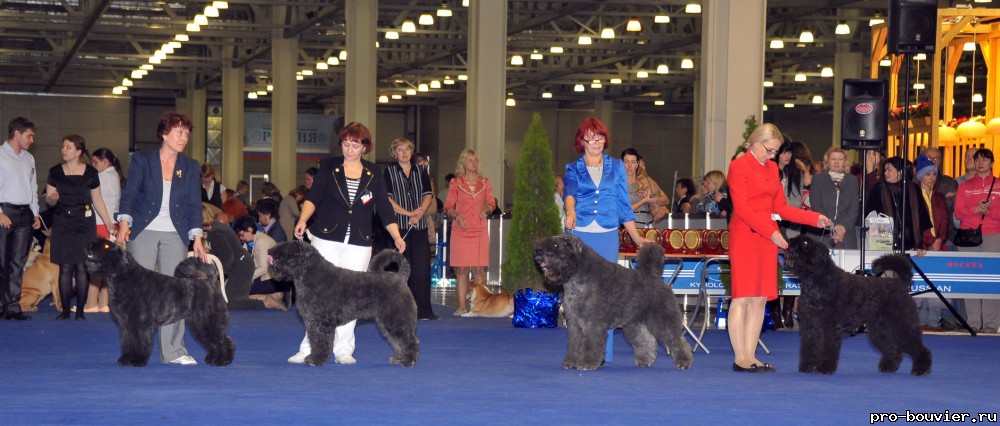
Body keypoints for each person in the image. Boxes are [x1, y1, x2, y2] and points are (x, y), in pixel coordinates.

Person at [287, 122, 406, 365]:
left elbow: (384, 208)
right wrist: (302, 220)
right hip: (326, 238)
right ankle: (308, 347)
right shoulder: (329, 167)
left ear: (365, 147)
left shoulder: (374, 173)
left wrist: (396, 235)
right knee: (317, 297)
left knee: (351, 297)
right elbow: (314, 198)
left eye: (355, 144)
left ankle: (344, 350)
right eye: (345, 143)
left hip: (359, 242)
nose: (349, 149)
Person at [727, 123, 830, 372]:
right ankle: (740, 357)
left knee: (761, 298)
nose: (772, 156)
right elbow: (742, 209)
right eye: (769, 150)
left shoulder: (773, 169)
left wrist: (813, 217)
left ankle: (751, 356)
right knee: (742, 297)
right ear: (754, 142)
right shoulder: (738, 166)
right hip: (746, 235)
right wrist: (771, 232)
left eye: (775, 151)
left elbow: (780, 208)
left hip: (767, 237)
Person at [116, 111, 206, 366]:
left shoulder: (190, 166)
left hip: (175, 234)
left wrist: (196, 237)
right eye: (179, 132)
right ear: (164, 133)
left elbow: (193, 204)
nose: (184, 137)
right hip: (143, 231)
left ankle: (173, 351)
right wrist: (124, 223)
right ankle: (135, 350)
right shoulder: (143, 160)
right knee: (138, 295)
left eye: (187, 133)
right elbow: (130, 193)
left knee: (176, 293)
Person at [45, 135, 116, 320]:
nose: (63, 150)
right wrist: (51, 199)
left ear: (78, 152)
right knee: (65, 267)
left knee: (82, 266)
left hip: (84, 222)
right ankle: (66, 311)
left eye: (68, 147)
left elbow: (97, 199)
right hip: (62, 221)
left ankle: (82, 311)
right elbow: (50, 198)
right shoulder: (55, 172)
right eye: (63, 147)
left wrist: (108, 221)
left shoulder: (91, 173)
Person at [563, 117, 650, 261]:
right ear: (582, 141)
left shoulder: (617, 166)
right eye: (591, 138)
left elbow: (623, 204)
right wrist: (570, 211)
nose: (596, 142)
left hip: (607, 235)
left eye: (600, 137)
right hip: (579, 233)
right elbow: (569, 193)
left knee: (608, 282)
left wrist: (636, 237)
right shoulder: (572, 168)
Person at [384, 137, 438, 321]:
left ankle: (424, 310)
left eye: (407, 149)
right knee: (401, 268)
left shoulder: (421, 170)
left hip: (420, 225)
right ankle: (399, 310)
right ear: (394, 152)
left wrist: (419, 212)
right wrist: (408, 213)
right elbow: (387, 199)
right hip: (398, 228)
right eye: (400, 149)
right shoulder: (389, 172)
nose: (404, 152)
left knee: (422, 268)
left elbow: (428, 195)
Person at [444, 149, 496, 316]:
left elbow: (491, 203)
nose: (473, 163)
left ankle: (481, 307)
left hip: (479, 229)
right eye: (470, 160)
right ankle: (461, 306)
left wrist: (487, 209)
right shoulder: (455, 183)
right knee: (462, 270)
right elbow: (448, 206)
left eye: (475, 160)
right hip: (461, 230)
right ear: (463, 163)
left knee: (479, 270)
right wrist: (457, 216)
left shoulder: (485, 182)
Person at [0, 117, 42, 321]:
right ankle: (1, 305)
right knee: (1, 262)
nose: (32, 140)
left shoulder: (29, 158)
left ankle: (13, 306)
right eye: (29, 135)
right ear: (17, 134)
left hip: (25, 214)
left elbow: (33, 187)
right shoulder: (0, 155)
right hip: (4, 212)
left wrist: (35, 213)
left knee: (19, 262)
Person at [954, 148, 1000, 332]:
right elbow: (958, 212)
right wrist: (975, 211)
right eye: (978, 159)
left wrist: (989, 211)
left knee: (992, 278)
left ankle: (990, 324)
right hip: (968, 235)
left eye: (985, 159)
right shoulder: (965, 186)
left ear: (992, 162)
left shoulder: (998, 184)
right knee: (969, 278)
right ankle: (973, 322)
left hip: (993, 233)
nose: (981, 163)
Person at [82, 147, 124, 313]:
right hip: (111, 223)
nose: (92, 165)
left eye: (95, 162)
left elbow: (91, 196)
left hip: (101, 222)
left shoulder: (101, 177)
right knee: (106, 265)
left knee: (96, 263)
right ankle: (103, 302)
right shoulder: (115, 176)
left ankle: (91, 302)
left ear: (105, 162)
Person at [202, 206, 267, 310]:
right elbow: (226, 250)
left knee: (230, 303)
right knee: (234, 300)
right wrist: (209, 251)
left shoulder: (216, 231)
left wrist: (219, 272)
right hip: (242, 264)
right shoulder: (217, 228)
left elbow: (227, 255)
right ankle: (265, 301)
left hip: (241, 267)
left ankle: (266, 303)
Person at [914, 154, 950, 331]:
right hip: (922, 246)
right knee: (920, 283)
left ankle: (934, 321)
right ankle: (920, 321)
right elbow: (917, 223)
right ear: (921, 176)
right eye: (928, 174)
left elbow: (944, 221)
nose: (931, 178)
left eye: (934, 174)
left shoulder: (940, 197)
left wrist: (940, 239)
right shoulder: (914, 195)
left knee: (937, 282)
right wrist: (928, 241)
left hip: (939, 246)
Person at [866, 156, 931, 254]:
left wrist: (920, 244)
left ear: (900, 172)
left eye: (889, 170)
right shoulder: (878, 189)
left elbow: (921, 217)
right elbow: (869, 214)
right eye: (885, 170)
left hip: (910, 243)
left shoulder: (913, 189)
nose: (885, 173)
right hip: (884, 242)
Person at [231, 215, 287, 310]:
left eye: (242, 235)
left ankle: (271, 298)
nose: (241, 238)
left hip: (271, 280)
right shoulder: (259, 239)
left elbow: (264, 268)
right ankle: (273, 297)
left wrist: (247, 277)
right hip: (271, 278)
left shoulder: (261, 242)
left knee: (240, 291)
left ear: (249, 230)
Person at [807, 147, 859, 249]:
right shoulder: (818, 179)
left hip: (846, 234)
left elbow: (854, 208)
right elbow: (816, 205)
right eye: (833, 159)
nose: (836, 162)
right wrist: (833, 226)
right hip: (823, 232)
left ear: (844, 162)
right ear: (827, 161)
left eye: (840, 159)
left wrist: (843, 227)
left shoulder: (853, 180)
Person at [622, 148, 668, 227]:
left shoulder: (645, 182)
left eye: (633, 162)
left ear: (637, 164)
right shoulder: (618, 185)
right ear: (622, 163)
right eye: (626, 162)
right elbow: (623, 211)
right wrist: (644, 200)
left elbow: (666, 200)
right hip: (629, 228)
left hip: (648, 226)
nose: (629, 166)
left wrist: (653, 198)